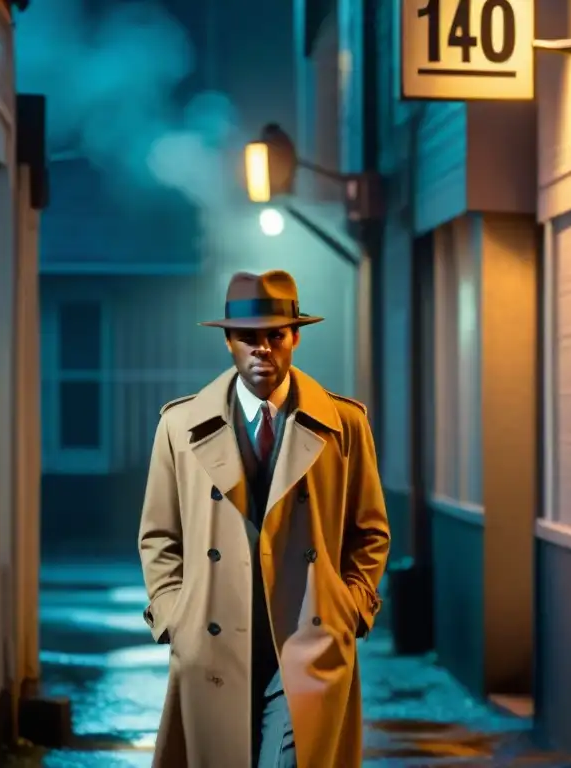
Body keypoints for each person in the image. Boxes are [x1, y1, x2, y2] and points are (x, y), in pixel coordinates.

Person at [138, 269, 390, 768]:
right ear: (229, 342)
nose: (262, 350)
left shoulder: (345, 424)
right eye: (248, 338)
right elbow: (159, 535)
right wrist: (175, 618)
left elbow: (370, 530)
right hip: (213, 640)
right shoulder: (179, 426)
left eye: (275, 335)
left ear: (295, 337)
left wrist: (350, 609)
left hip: (307, 637)